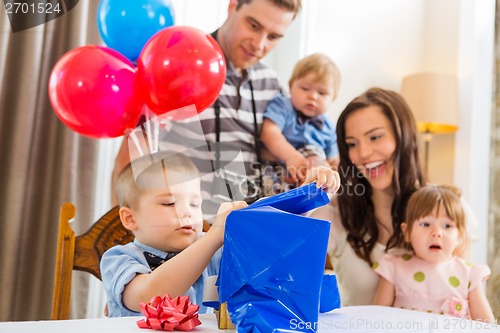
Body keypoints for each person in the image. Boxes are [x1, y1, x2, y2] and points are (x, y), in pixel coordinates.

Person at [111, 0, 303, 220]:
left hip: (241, 237)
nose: (259, 44)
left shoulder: (271, 84)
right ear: (232, 6)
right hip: (180, 237)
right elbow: (129, 161)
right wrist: (120, 237)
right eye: (253, 26)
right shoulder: (180, 62)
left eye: (273, 37)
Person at [305, 87, 477, 307]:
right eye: (352, 144)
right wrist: (305, 197)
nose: (364, 153)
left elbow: (466, 295)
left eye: (375, 137)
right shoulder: (335, 211)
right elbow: (281, 256)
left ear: (403, 136)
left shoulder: (448, 207)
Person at [101, 151, 247, 317]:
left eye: (194, 204)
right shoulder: (117, 259)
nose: (186, 212)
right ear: (130, 218)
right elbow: (147, 296)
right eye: (169, 203)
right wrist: (213, 237)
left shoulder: (215, 253)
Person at [372, 184, 494, 322]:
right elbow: (375, 318)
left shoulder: (470, 275)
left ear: (459, 236)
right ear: (407, 232)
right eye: (425, 224)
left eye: (447, 226)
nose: (436, 233)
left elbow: (487, 326)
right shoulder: (393, 268)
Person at [259, 53, 340, 195]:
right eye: (305, 88)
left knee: (319, 160)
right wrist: (291, 156)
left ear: (333, 98)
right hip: (277, 169)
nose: (313, 96)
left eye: (322, 93)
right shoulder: (283, 106)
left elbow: (334, 160)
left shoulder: (328, 126)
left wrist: (332, 174)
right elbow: (269, 132)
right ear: (291, 87)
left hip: (308, 180)